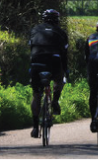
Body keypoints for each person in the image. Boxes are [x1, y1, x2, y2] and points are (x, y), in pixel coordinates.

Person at [28, 9, 69, 139]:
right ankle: (55, 101)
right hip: (54, 62)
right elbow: (64, 55)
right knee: (59, 80)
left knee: (36, 95)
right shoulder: (61, 33)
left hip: (36, 62)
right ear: (57, 20)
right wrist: (66, 71)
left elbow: (31, 48)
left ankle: (35, 127)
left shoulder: (34, 30)